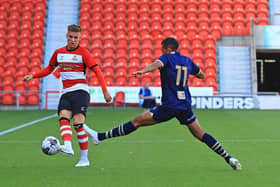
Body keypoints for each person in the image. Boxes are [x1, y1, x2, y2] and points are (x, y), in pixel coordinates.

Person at [83, 37, 242, 170]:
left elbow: (157, 64)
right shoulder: (187, 60)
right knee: (200, 134)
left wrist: (142, 71)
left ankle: (99, 137)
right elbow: (201, 75)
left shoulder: (166, 58)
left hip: (170, 105)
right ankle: (229, 158)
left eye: (162, 49)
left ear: (167, 48)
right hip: (184, 105)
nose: (161, 52)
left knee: (137, 121)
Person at [23, 24, 112, 167]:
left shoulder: (84, 53)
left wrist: (105, 90)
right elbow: (49, 69)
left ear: (80, 38)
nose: (73, 40)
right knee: (63, 118)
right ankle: (68, 146)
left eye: (76, 38)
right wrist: (33, 76)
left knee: (78, 124)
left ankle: (84, 159)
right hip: (66, 92)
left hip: (80, 91)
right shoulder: (59, 53)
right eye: (70, 37)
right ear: (66, 36)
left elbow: (97, 71)